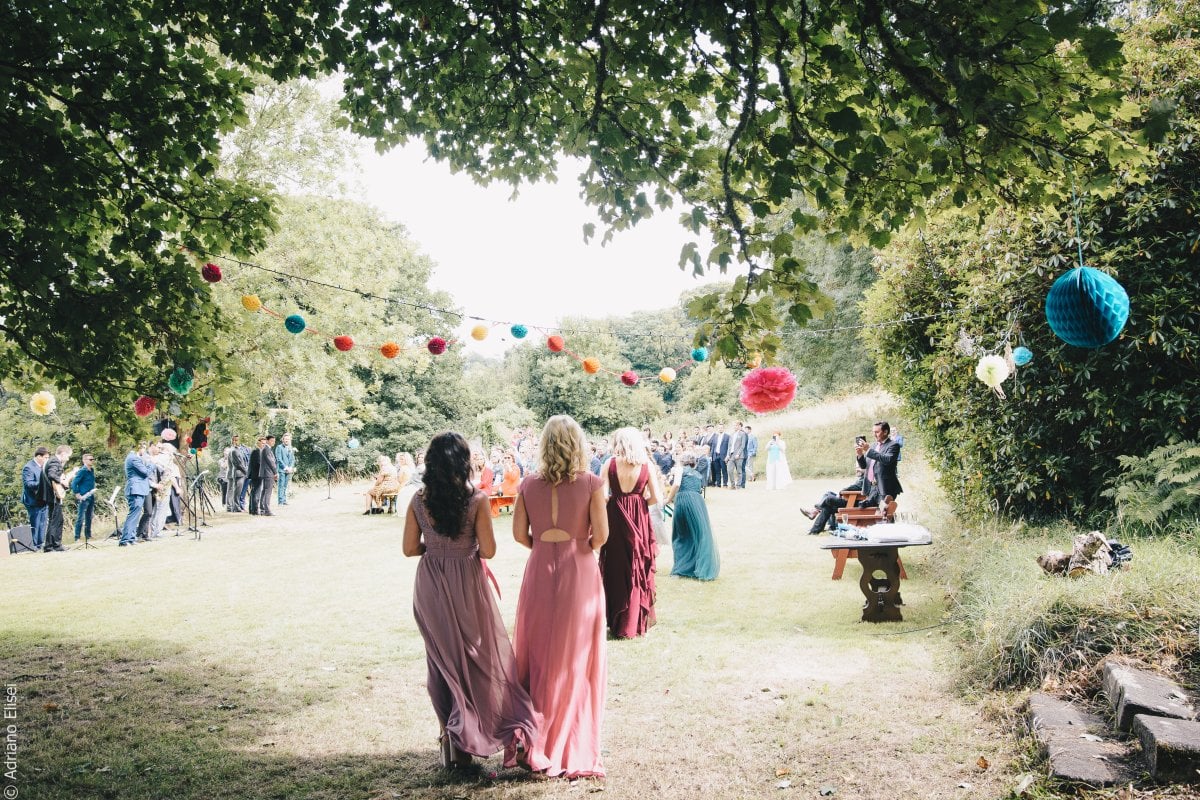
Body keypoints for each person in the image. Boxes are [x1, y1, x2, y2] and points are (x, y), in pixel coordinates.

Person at [403, 431, 537, 771]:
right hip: (466, 581)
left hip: (431, 582)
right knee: (476, 658)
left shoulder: (418, 500)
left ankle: (451, 740)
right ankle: (468, 733)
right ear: (464, 463)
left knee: (442, 661)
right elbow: (489, 550)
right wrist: (463, 549)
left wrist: (435, 549)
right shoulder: (475, 499)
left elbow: (408, 548)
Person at [511, 415, 609, 778]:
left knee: (539, 653)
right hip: (579, 569)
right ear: (577, 444)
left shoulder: (528, 485)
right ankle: (569, 743)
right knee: (576, 656)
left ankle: (539, 737)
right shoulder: (591, 483)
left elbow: (520, 534)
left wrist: (542, 546)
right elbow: (601, 535)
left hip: (539, 569)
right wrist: (578, 545)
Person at [600, 427, 659, 639]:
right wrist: (639, 501)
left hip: (615, 515)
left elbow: (602, 495)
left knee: (615, 567)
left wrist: (618, 500)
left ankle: (617, 620)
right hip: (639, 517)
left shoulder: (610, 464)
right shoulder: (646, 466)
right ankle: (634, 621)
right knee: (637, 565)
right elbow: (656, 497)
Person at [665, 453, 720, 580]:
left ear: (681, 462)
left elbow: (677, 484)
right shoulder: (697, 474)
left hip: (684, 500)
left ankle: (680, 570)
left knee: (681, 535)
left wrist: (668, 499)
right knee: (698, 534)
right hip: (698, 502)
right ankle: (698, 567)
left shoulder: (680, 469)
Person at [38, 445, 72, 552]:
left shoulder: (51, 461)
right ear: (63, 454)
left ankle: (52, 545)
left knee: (56, 519)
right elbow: (52, 474)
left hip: (51, 495)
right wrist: (62, 482)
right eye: (67, 456)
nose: (68, 458)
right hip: (52, 495)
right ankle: (52, 546)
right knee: (56, 520)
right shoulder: (55, 461)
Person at [119, 444, 154, 547]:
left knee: (135, 515)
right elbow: (145, 472)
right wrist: (152, 463)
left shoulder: (134, 457)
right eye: (144, 447)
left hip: (139, 489)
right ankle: (125, 540)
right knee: (133, 515)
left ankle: (131, 538)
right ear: (139, 447)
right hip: (135, 489)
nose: (145, 450)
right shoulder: (133, 458)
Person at [21, 446, 50, 551]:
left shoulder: (43, 467)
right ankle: (35, 545)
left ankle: (41, 544)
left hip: (44, 499)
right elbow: (28, 484)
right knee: (36, 523)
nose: (47, 460)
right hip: (33, 501)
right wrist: (43, 483)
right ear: (39, 456)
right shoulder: (28, 467)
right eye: (45, 457)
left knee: (43, 523)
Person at [71, 452, 97, 542]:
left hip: (91, 495)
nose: (92, 461)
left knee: (89, 516)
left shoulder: (92, 470)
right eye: (90, 459)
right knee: (80, 517)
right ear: (84, 460)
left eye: (92, 459)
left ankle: (88, 535)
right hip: (84, 496)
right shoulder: (82, 471)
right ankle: (77, 537)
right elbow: (74, 483)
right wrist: (77, 493)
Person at [226, 435, 248, 512]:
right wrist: (246, 472)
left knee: (235, 491)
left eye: (237, 440)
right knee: (235, 491)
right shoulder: (234, 450)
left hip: (237, 473)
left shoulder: (239, 450)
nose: (235, 442)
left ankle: (233, 506)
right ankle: (234, 507)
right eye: (234, 440)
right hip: (238, 473)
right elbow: (239, 464)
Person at [259, 434, 278, 516]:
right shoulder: (266, 449)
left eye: (274, 441)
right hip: (268, 473)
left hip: (266, 473)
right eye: (271, 441)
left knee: (264, 491)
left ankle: (263, 508)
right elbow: (271, 462)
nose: (273, 442)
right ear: (267, 441)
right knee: (268, 492)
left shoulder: (266, 449)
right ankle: (267, 510)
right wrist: (275, 472)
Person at [275, 432, 296, 506]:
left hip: (289, 470)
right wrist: (286, 467)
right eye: (285, 439)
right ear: (282, 439)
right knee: (281, 485)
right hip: (281, 470)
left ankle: (284, 500)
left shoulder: (290, 448)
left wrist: (290, 467)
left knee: (285, 486)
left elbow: (293, 459)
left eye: (288, 439)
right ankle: (280, 501)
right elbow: (279, 459)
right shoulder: (279, 447)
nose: (287, 440)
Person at [727, 421, 747, 490]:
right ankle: (733, 485)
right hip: (731, 455)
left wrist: (738, 453)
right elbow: (729, 446)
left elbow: (743, 445)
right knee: (729, 470)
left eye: (736, 425)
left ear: (739, 426)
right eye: (734, 425)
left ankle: (738, 485)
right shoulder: (731, 434)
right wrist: (727, 455)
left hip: (739, 455)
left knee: (739, 471)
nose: (735, 427)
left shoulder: (742, 434)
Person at [247, 436, 264, 515]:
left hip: (256, 475)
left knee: (254, 492)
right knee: (256, 492)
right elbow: (258, 464)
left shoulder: (258, 451)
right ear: (258, 443)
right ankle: (255, 510)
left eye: (264, 443)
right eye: (262, 443)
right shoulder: (256, 451)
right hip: (257, 475)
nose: (264, 445)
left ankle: (252, 509)